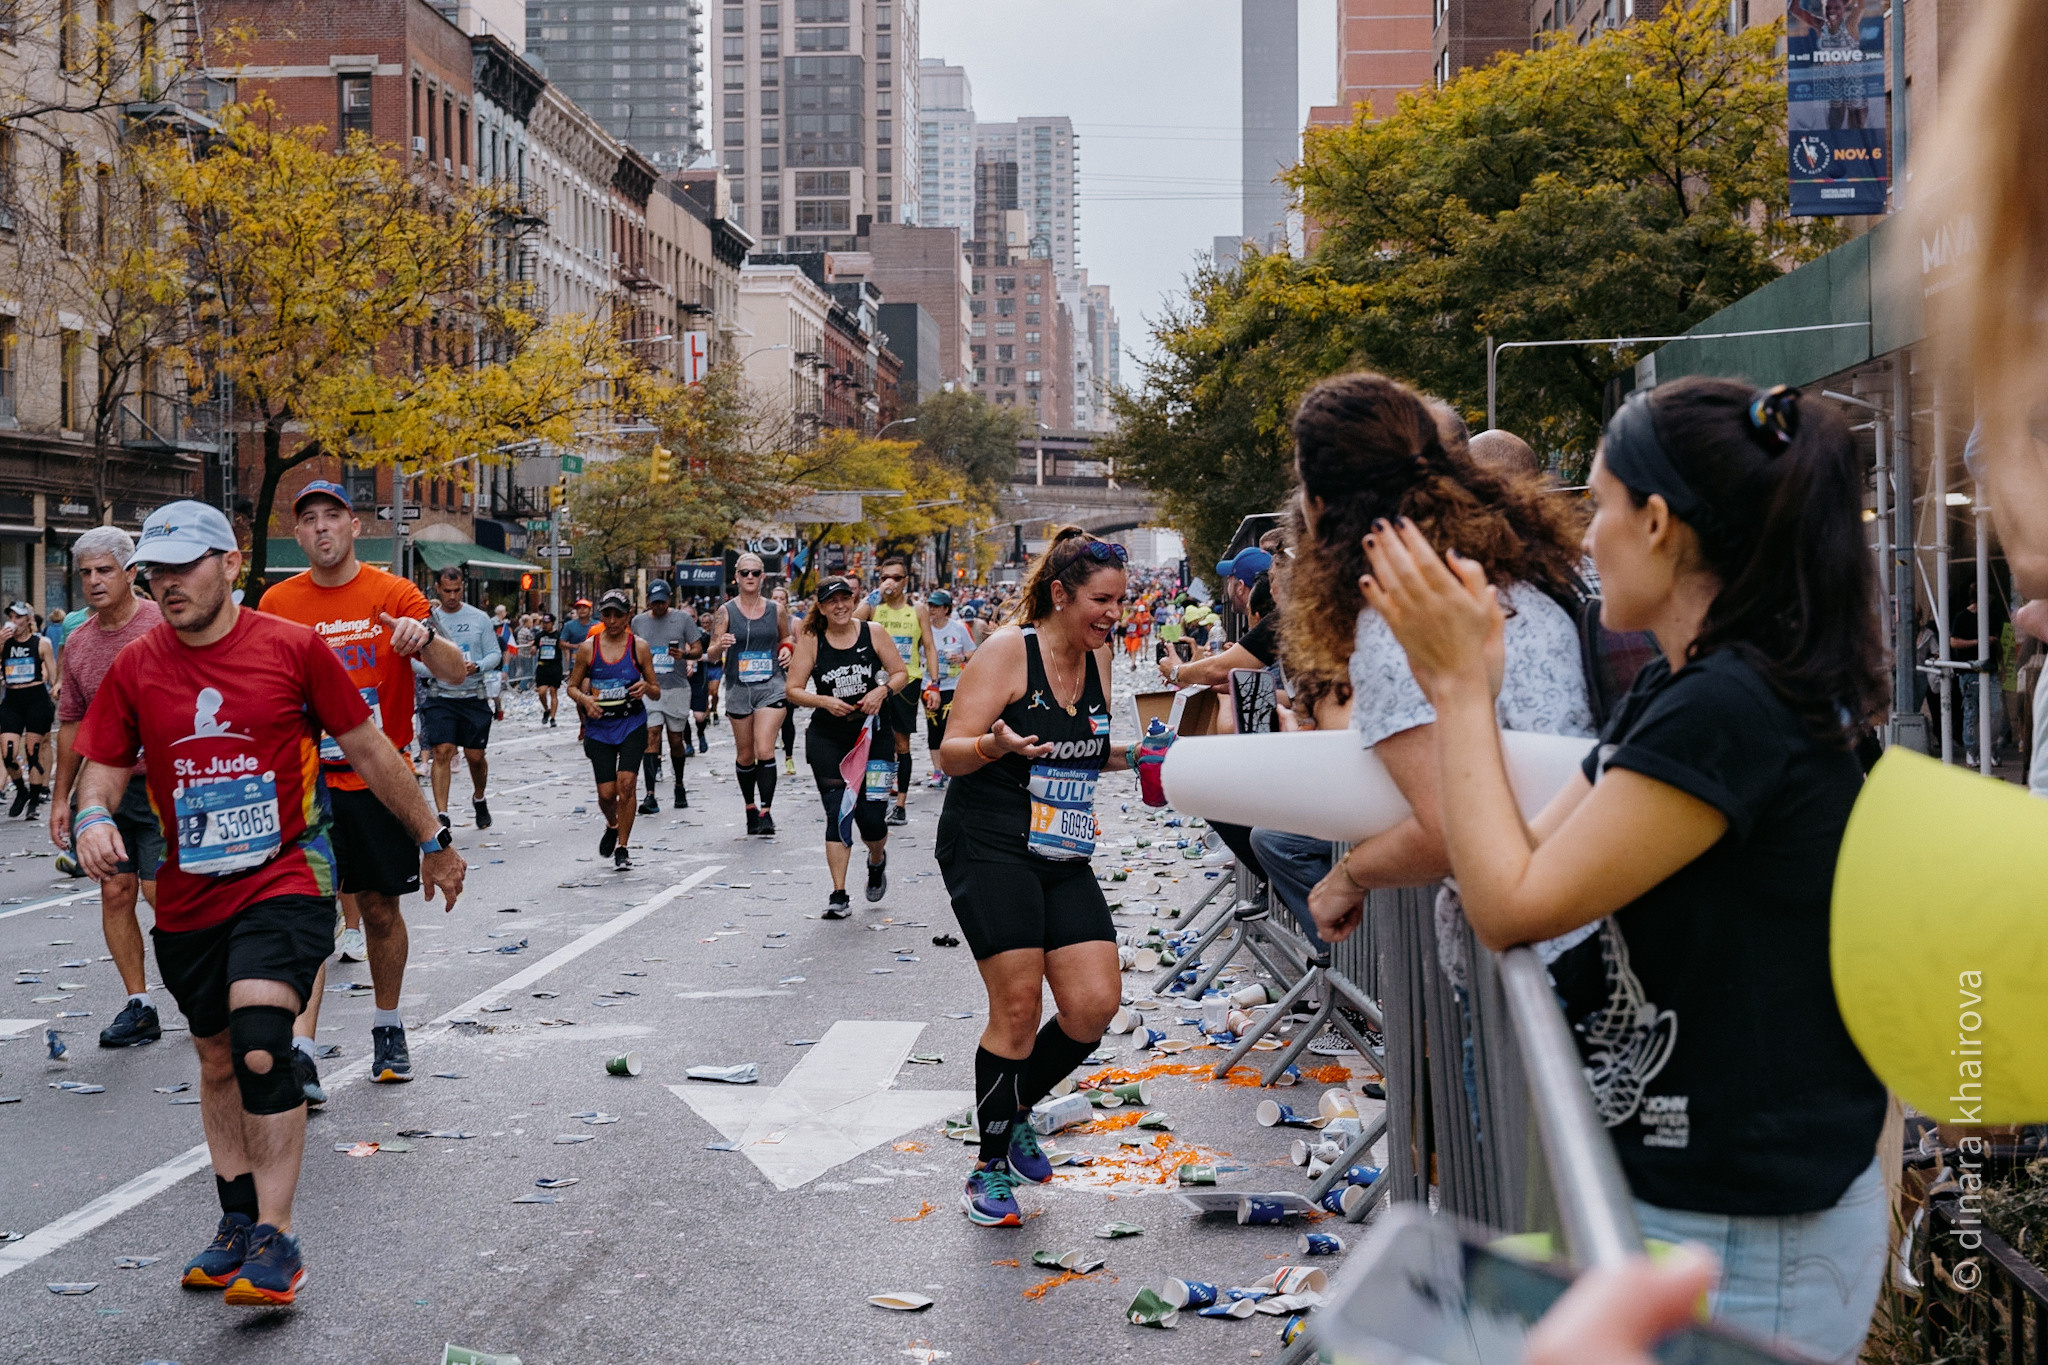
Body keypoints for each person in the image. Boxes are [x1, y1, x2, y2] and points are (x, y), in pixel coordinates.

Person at [1359, 378, 1891, 1363]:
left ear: (1656, 523)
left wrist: (1459, 691)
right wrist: (1469, 680)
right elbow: (1524, 856)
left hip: (1745, 1234)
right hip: (1713, 1212)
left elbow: (1507, 904)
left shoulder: (1729, 706)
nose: (1582, 533)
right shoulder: (1683, 686)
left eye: (1597, 503)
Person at [71, 499, 466, 1307]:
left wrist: (433, 836)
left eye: (184, 566)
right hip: (189, 892)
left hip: (285, 874)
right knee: (217, 1056)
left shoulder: (290, 648)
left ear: (229, 563)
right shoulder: (137, 667)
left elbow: (369, 748)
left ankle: (278, 1237)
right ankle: (237, 1221)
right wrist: (91, 818)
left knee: (259, 1042)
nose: (168, 583)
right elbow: (102, 767)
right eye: (156, 570)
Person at [1282, 374, 1595, 951]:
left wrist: (1347, 876)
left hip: (1543, 936)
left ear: (1319, 504)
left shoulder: (1400, 617)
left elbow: (1447, 827)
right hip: (1586, 894)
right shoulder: (1508, 560)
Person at [934, 527, 1134, 1228]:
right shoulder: (1006, 651)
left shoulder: (1098, 656)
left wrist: (1145, 753)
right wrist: (995, 744)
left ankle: (1015, 1106)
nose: (1113, 614)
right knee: (1018, 1008)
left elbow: (1089, 749)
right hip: (989, 842)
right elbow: (950, 752)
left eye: (1119, 600)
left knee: (1094, 1005)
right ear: (1061, 594)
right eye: (1101, 600)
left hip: (1061, 846)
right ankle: (987, 1166)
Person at [262, 481, 469, 1089]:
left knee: (379, 911)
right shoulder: (277, 601)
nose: (321, 527)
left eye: (332, 516)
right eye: (309, 519)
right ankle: (301, 1051)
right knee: (307, 915)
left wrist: (423, 639)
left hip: (378, 781)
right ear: (298, 534)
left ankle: (388, 1025)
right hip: (306, 784)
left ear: (354, 527)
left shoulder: (393, 593)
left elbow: (456, 670)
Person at [48, 527, 165, 1048]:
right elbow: (72, 723)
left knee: (164, 895)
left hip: (165, 786)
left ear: (131, 572)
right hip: (105, 789)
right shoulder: (78, 642)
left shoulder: (163, 625)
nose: (94, 581)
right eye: (86, 573)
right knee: (116, 891)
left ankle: (206, 989)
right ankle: (140, 1005)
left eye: (105, 570)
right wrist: (61, 798)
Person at [783, 576, 908, 917]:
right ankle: (838, 894)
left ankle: (877, 858)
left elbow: (900, 673)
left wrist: (882, 691)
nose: (839, 606)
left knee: (871, 819)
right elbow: (793, 689)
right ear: (821, 607)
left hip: (873, 735)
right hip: (829, 737)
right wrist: (824, 701)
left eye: (844, 598)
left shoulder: (873, 632)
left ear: (853, 600)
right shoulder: (812, 639)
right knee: (838, 811)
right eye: (831, 601)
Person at [565, 588, 659, 869]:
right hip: (599, 728)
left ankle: (623, 846)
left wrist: (646, 687)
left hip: (631, 722)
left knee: (626, 785)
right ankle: (612, 824)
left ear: (629, 615)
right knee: (607, 795)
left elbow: (656, 690)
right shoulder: (588, 648)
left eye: (618, 614)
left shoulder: (639, 647)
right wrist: (585, 700)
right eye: (607, 614)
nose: (613, 620)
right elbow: (571, 686)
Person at [705, 553, 791, 836]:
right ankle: (750, 807)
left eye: (755, 573)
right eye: (745, 573)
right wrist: (721, 644)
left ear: (763, 577)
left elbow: (787, 637)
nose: (750, 577)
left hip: (771, 685)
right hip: (739, 688)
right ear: (737, 577)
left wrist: (787, 650)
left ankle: (766, 812)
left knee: (764, 749)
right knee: (745, 755)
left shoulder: (776, 609)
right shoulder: (726, 611)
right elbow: (711, 653)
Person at [415, 566, 501, 833]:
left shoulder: (479, 618)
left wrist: (478, 666)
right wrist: (439, 670)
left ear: (463, 587)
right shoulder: (428, 622)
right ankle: (442, 815)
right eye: (447, 591)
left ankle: (479, 798)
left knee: (475, 757)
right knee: (442, 751)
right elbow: (412, 659)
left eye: (457, 590)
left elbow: (494, 654)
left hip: (473, 696)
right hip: (441, 697)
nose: (452, 596)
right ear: (437, 589)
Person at [857, 553, 938, 826]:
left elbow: (929, 646)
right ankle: (875, 796)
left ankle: (900, 804)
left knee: (901, 743)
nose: (890, 582)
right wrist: (874, 595)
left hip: (907, 682)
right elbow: (851, 622)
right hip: (875, 681)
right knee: (876, 742)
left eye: (896, 577)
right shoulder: (874, 607)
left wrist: (934, 683)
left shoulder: (917, 610)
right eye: (885, 577)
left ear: (906, 581)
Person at [631, 580, 702, 813]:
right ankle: (650, 795)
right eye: (654, 602)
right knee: (651, 736)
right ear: (648, 601)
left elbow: (698, 649)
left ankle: (679, 785)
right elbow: (631, 650)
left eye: (662, 602)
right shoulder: (638, 622)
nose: (658, 606)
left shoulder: (682, 619)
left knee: (675, 740)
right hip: (650, 689)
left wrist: (684, 654)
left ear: (669, 599)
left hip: (676, 688)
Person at [2, 598, 57, 818]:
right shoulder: (4, 642)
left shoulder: (41, 643)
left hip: (36, 698)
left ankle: (34, 801)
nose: (13, 621)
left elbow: (53, 675)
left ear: (28, 620)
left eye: (18, 617)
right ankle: (21, 790)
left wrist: (57, 689)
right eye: (11, 617)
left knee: (33, 753)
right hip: (12, 699)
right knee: (8, 753)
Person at [923, 589, 976, 788]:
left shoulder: (958, 628)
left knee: (949, 726)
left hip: (953, 684)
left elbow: (972, 652)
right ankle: (937, 771)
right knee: (933, 727)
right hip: (929, 684)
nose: (932, 610)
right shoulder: (924, 628)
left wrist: (961, 657)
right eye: (930, 606)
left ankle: (952, 768)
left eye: (936, 606)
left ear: (946, 609)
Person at [772, 584, 799, 775]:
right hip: (767, 674)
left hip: (787, 674)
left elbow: (804, 648)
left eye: (782, 598)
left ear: (787, 602)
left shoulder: (794, 622)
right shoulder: (762, 619)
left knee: (786, 718)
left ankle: (789, 757)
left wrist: (789, 648)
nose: (778, 601)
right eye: (775, 598)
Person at [531, 612, 564, 726]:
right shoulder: (539, 635)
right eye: (543, 623)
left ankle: (553, 718)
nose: (544, 625)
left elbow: (563, 647)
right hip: (542, 667)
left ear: (552, 623)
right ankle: (546, 709)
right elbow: (534, 646)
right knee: (542, 692)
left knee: (553, 692)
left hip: (555, 666)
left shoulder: (558, 635)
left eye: (547, 623)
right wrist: (533, 649)